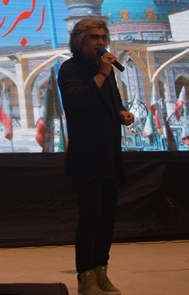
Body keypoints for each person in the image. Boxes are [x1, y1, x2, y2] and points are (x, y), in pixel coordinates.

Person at [57, 18, 134, 295]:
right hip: (86, 156)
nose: (101, 42)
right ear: (80, 41)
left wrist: (122, 112)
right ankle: (86, 277)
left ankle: (102, 271)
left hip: (109, 154)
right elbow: (78, 100)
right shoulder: (70, 69)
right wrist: (102, 73)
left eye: (103, 37)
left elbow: (112, 101)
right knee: (90, 217)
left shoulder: (106, 71)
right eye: (94, 37)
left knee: (107, 218)